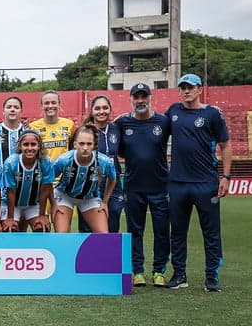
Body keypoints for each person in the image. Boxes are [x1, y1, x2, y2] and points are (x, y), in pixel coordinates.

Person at [165, 73, 232, 292]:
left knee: (211, 232)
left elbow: (225, 145)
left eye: (190, 87)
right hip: (177, 183)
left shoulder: (212, 114)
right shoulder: (173, 111)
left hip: (206, 183)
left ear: (199, 89)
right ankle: (179, 275)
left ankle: (211, 277)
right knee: (177, 232)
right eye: (183, 87)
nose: (186, 91)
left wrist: (226, 177)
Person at [115, 83, 171, 287]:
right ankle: (137, 271)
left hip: (160, 186)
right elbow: (119, 150)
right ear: (131, 100)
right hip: (133, 187)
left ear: (150, 98)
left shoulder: (163, 122)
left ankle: (159, 271)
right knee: (135, 231)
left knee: (162, 230)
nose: (140, 101)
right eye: (136, 97)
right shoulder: (122, 123)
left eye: (143, 97)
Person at [51, 125, 117, 233]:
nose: (85, 148)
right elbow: (48, 180)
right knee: (61, 235)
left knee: (104, 236)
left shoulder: (104, 161)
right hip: (64, 195)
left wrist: (105, 201)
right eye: (81, 143)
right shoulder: (64, 160)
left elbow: (113, 179)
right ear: (75, 144)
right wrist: (53, 203)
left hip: (89, 197)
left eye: (89, 144)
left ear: (94, 145)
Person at [76, 95, 124, 233]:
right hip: (89, 185)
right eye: (97, 108)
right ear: (92, 111)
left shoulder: (116, 129)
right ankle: (86, 254)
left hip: (113, 185)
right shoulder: (84, 131)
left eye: (105, 108)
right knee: (87, 228)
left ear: (110, 109)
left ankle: (110, 255)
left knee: (112, 224)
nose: (101, 111)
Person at [1, 130, 53, 232]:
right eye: (26, 144)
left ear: (39, 146)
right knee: (10, 229)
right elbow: (11, 191)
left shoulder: (46, 162)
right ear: (20, 146)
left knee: (42, 228)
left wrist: (42, 215)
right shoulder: (11, 163)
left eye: (33, 144)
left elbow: (45, 190)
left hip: (33, 203)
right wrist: (10, 218)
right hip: (11, 205)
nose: (29, 148)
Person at [29, 90, 75, 161]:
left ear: (59, 105)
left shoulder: (69, 124)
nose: (50, 106)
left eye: (53, 103)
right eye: (46, 103)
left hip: (63, 170)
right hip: (43, 171)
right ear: (42, 106)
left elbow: (73, 148)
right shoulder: (33, 127)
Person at [0, 95, 26, 165]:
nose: (12, 109)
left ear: (21, 111)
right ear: (3, 111)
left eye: (16, 107)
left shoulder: (26, 132)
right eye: (9, 107)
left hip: (21, 175)